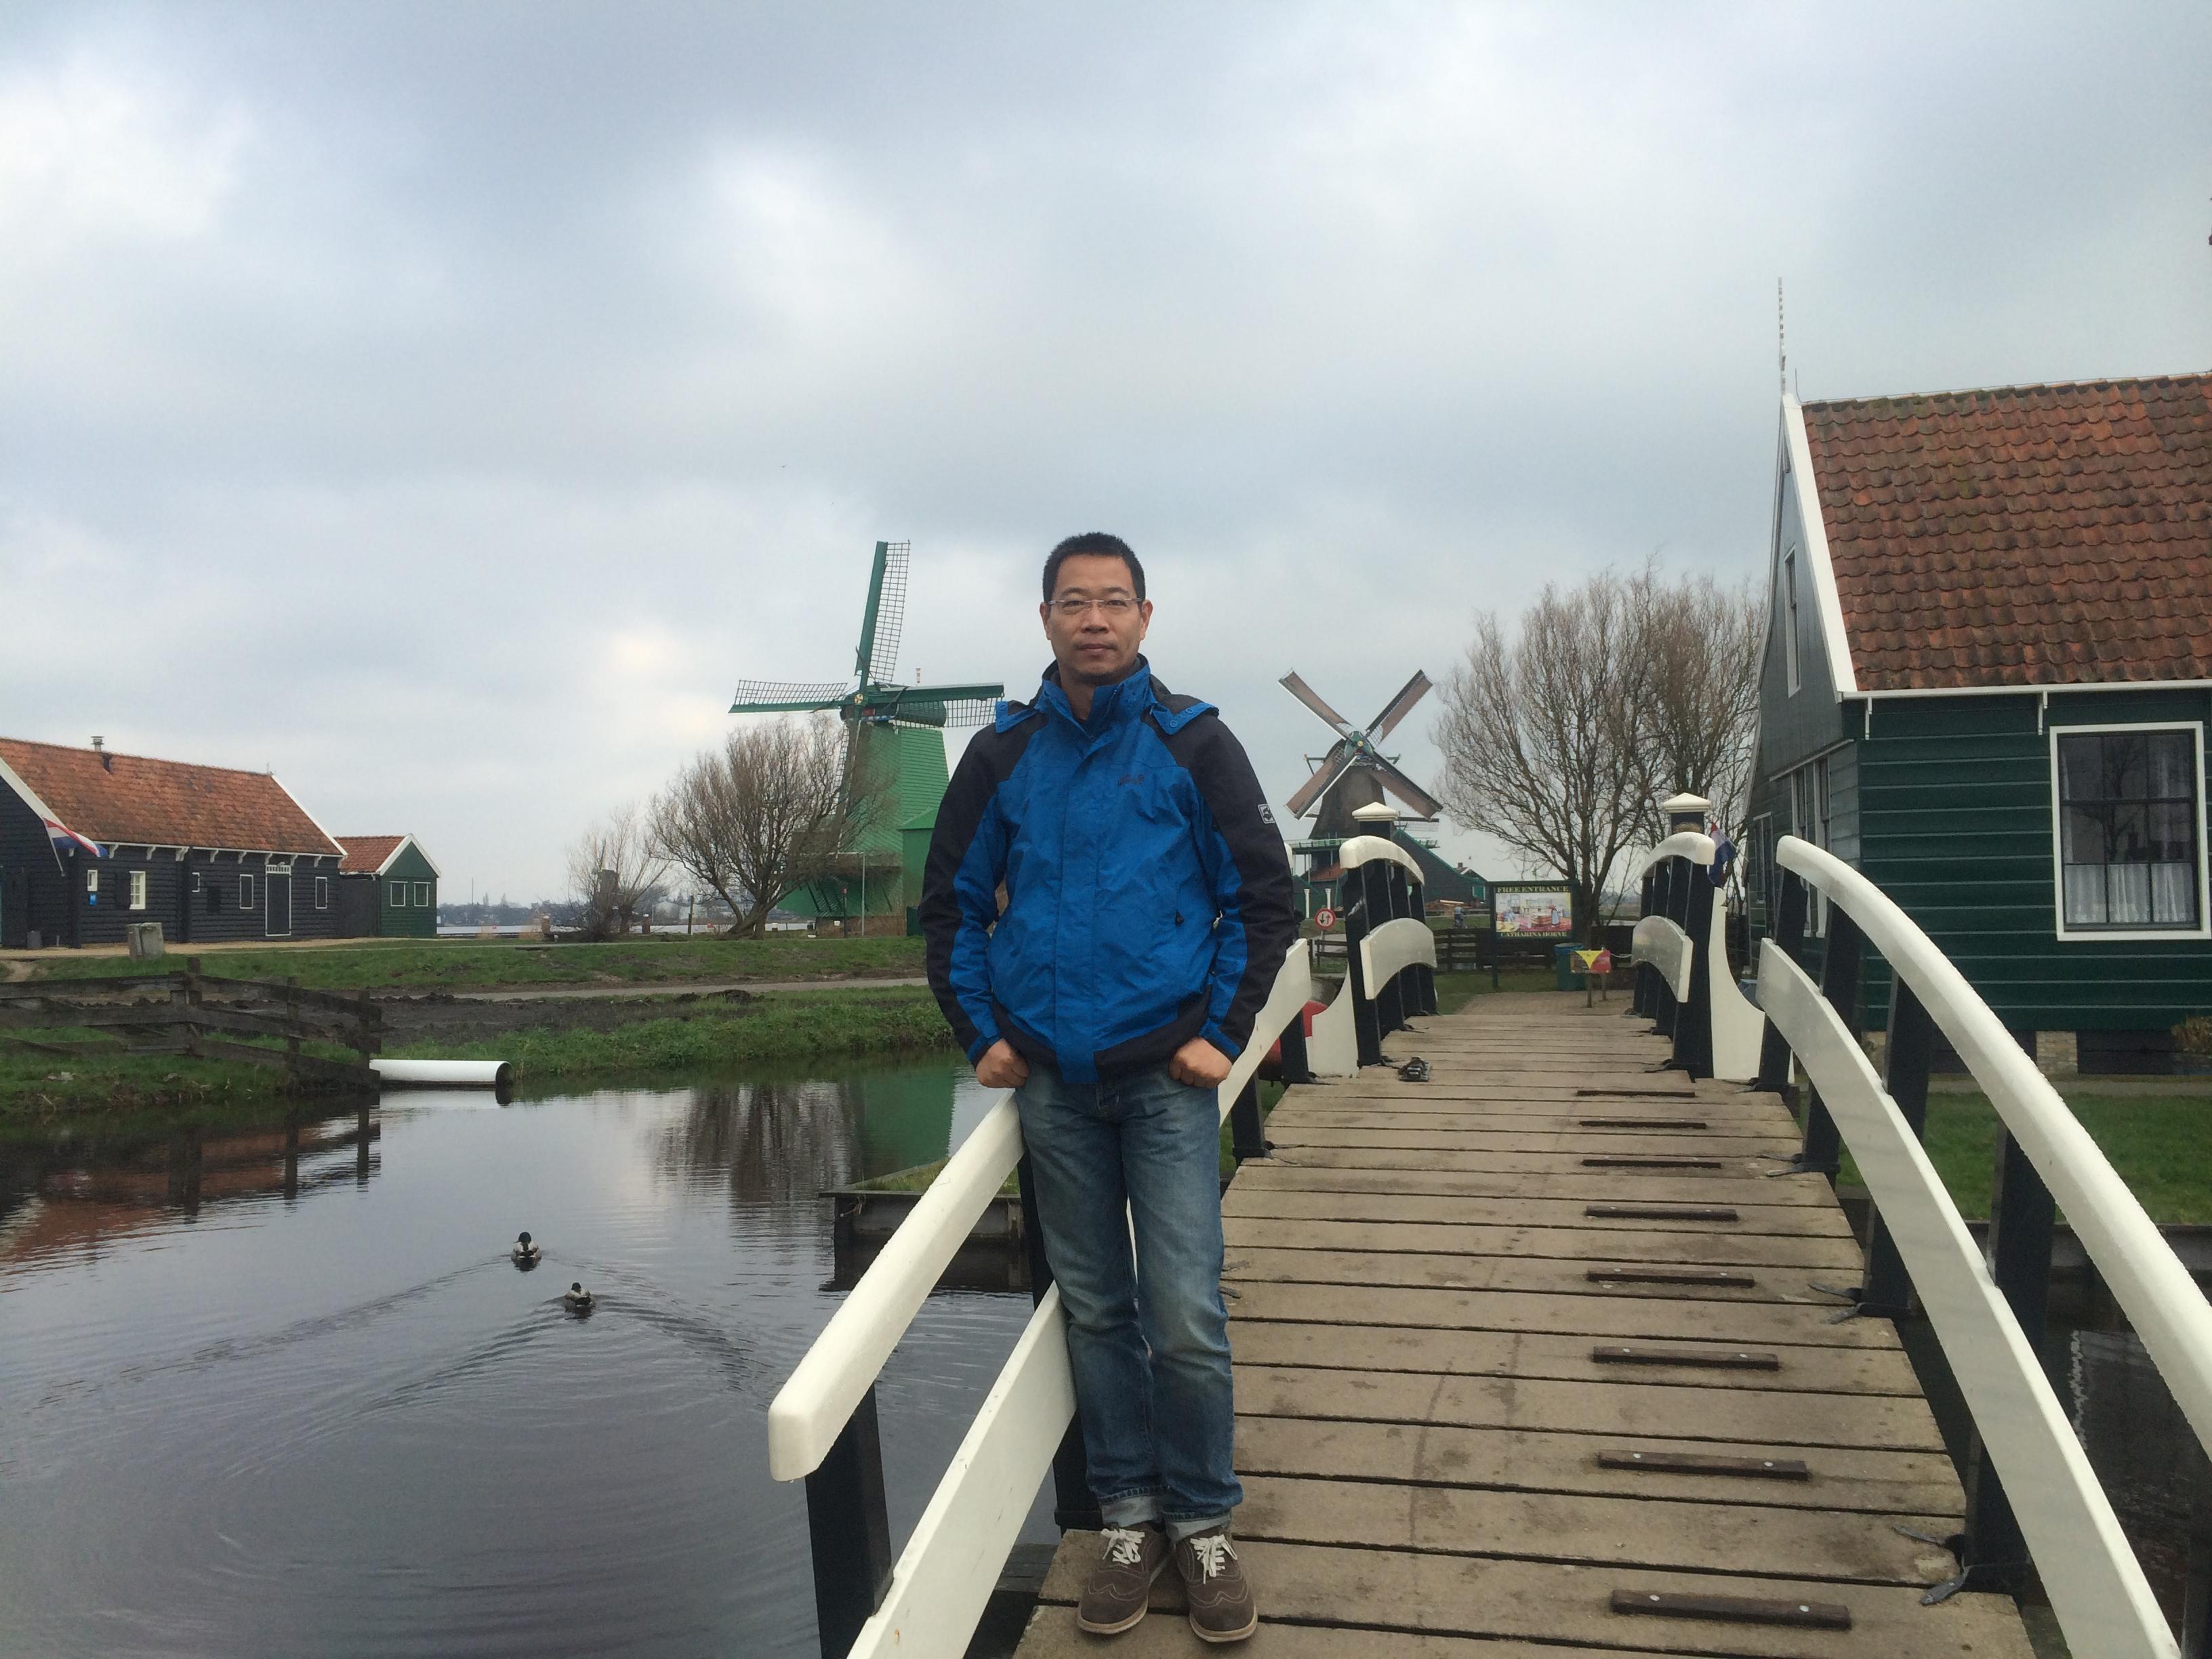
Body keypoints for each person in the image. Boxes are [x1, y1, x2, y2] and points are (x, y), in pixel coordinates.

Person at [921, 531, 1298, 1645]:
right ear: (1045, 618)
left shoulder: (1196, 744)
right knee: (1094, 1311)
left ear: (1145, 617)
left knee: (1183, 1312)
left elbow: (1263, 898)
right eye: (1074, 602)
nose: (1095, 620)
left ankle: (1204, 1521)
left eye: (1115, 601)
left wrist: (1222, 1031)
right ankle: (1129, 1517)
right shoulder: (1003, 755)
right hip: (1052, 1084)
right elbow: (951, 906)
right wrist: (980, 1031)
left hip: (1166, 1077)